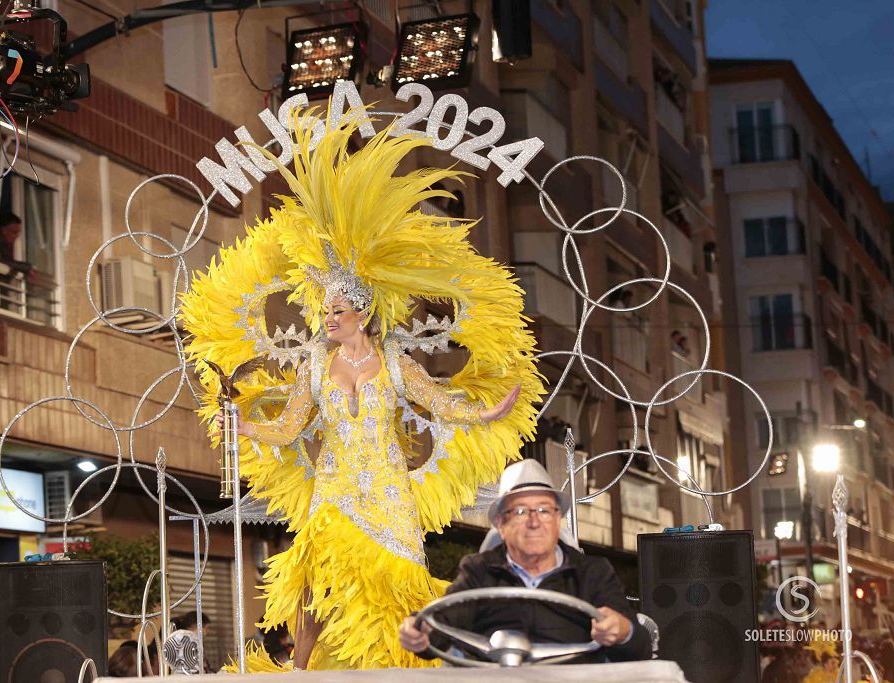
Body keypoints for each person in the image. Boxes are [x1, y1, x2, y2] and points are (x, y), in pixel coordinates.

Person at [181, 109, 542, 670]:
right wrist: (245, 424)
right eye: (325, 309)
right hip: (334, 487)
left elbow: (443, 406)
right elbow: (288, 427)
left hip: (388, 491)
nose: (327, 318)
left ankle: (399, 672)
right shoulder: (312, 367)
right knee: (314, 584)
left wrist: (489, 410)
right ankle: (299, 670)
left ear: (363, 313)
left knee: (395, 586)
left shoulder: (397, 364)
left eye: (338, 310)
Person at [398, 459, 652, 664]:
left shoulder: (593, 573)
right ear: (501, 524)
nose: (534, 521)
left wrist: (622, 631)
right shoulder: (479, 571)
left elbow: (638, 648)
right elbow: (442, 624)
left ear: (556, 519)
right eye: (520, 511)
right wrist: (420, 633)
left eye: (543, 510)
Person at [0, 212, 35, 278]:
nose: (16, 236)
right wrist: (26, 267)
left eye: (18, 233)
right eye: (14, 232)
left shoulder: (4, 244)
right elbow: (3, 261)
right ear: (3, 230)